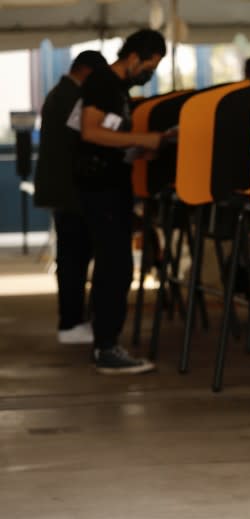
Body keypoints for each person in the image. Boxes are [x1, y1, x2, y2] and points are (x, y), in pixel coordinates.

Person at [77, 29, 167, 374]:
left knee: (115, 265)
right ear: (133, 57)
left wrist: (138, 148)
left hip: (112, 184)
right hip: (100, 189)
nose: (149, 73)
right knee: (115, 267)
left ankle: (107, 342)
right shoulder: (101, 83)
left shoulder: (116, 89)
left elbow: (109, 137)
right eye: (150, 65)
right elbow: (91, 131)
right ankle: (106, 347)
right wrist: (143, 137)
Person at [34, 50, 108, 344]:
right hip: (71, 192)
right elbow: (88, 135)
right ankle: (71, 322)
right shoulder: (70, 98)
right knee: (73, 260)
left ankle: (73, 320)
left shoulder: (60, 94)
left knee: (72, 259)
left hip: (64, 191)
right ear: (87, 72)